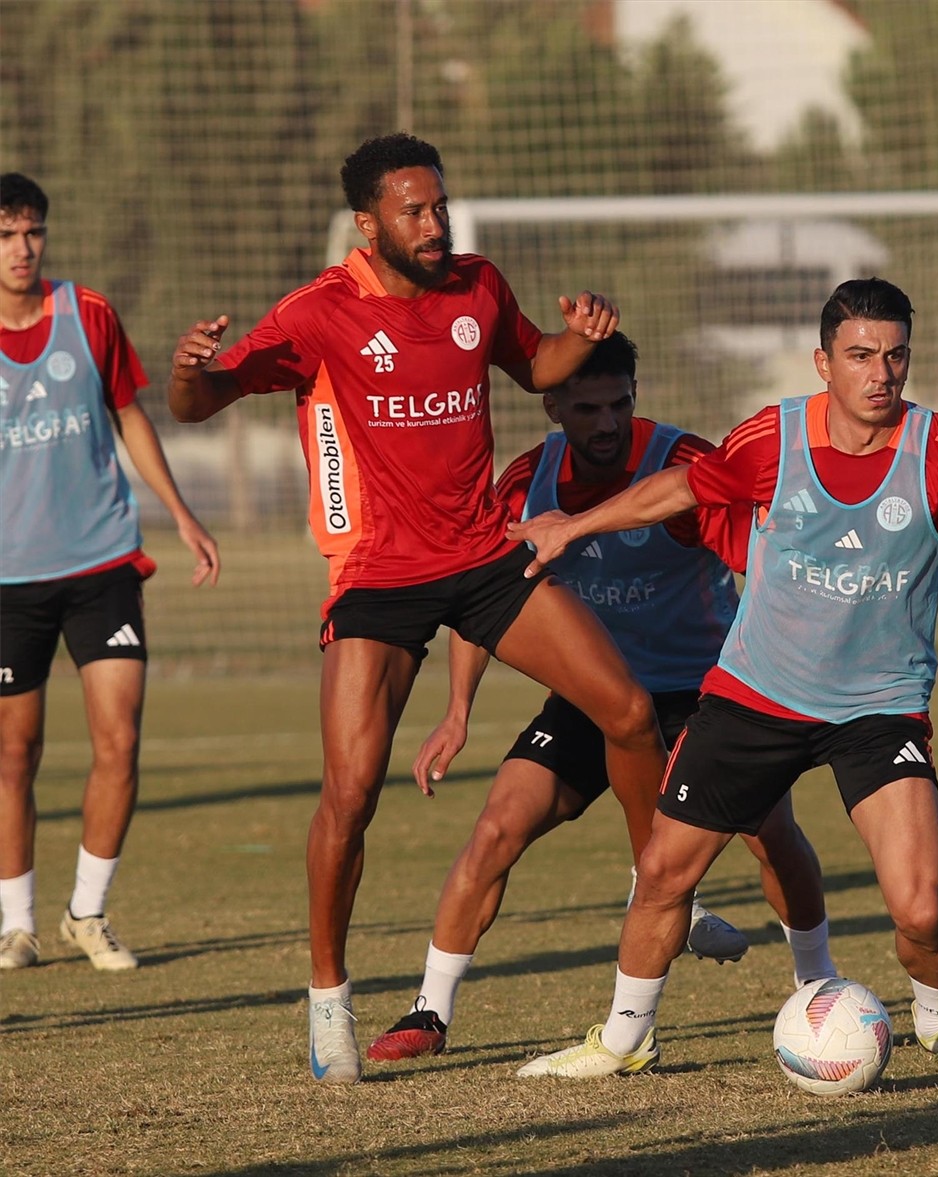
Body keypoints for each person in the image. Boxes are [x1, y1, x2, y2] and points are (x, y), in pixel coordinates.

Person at [167, 133, 739, 1085]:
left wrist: (584, 336)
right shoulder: (319, 313)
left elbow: (539, 365)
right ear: (368, 223)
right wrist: (190, 367)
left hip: (482, 556)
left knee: (631, 711)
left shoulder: (478, 286)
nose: (436, 225)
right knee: (350, 795)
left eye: (440, 206)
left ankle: (657, 896)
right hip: (381, 576)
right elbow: (199, 403)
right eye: (414, 211)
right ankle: (328, 1003)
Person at [508, 277, 938, 1080]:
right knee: (665, 872)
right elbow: (681, 488)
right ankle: (624, 1039)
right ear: (824, 362)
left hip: (879, 709)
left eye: (895, 354)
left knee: (920, 911)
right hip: (755, 694)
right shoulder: (772, 437)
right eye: (859, 355)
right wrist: (576, 524)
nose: (881, 372)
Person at [365, 332, 835, 1064]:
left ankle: (819, 988)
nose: (608, 422)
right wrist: (457, 710)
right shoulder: (526, 483)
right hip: (594, 698)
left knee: (770, 830)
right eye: (588, 408)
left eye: (621, 403)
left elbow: (762, 555)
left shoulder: (681, 466)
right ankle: (430, 1009)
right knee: (496, 827)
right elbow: (487, 597)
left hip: (704, 692)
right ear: (552, 404)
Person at [0, 173, 220, 974]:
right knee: (14, 754)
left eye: (32, 232)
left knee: (119, 742)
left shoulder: (87, 314)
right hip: (8, 581)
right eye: (6, 234)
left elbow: (130, 412)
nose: (22, 248)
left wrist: (184, 514)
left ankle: (86, 912)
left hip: (102, 561)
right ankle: (14, 922)